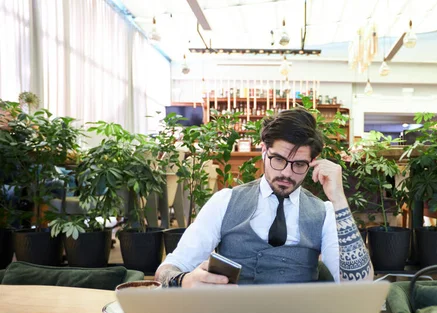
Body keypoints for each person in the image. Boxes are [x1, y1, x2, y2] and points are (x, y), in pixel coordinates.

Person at [155, 108, 373, 287]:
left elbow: (360, 285)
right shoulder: (225, 201)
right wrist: (183, 281)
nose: (287, 173)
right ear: (263, 151)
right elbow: (168, 269)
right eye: (278, 159)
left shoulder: (324, 213)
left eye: (299, 164)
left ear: (313, 162)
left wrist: (340, 201)